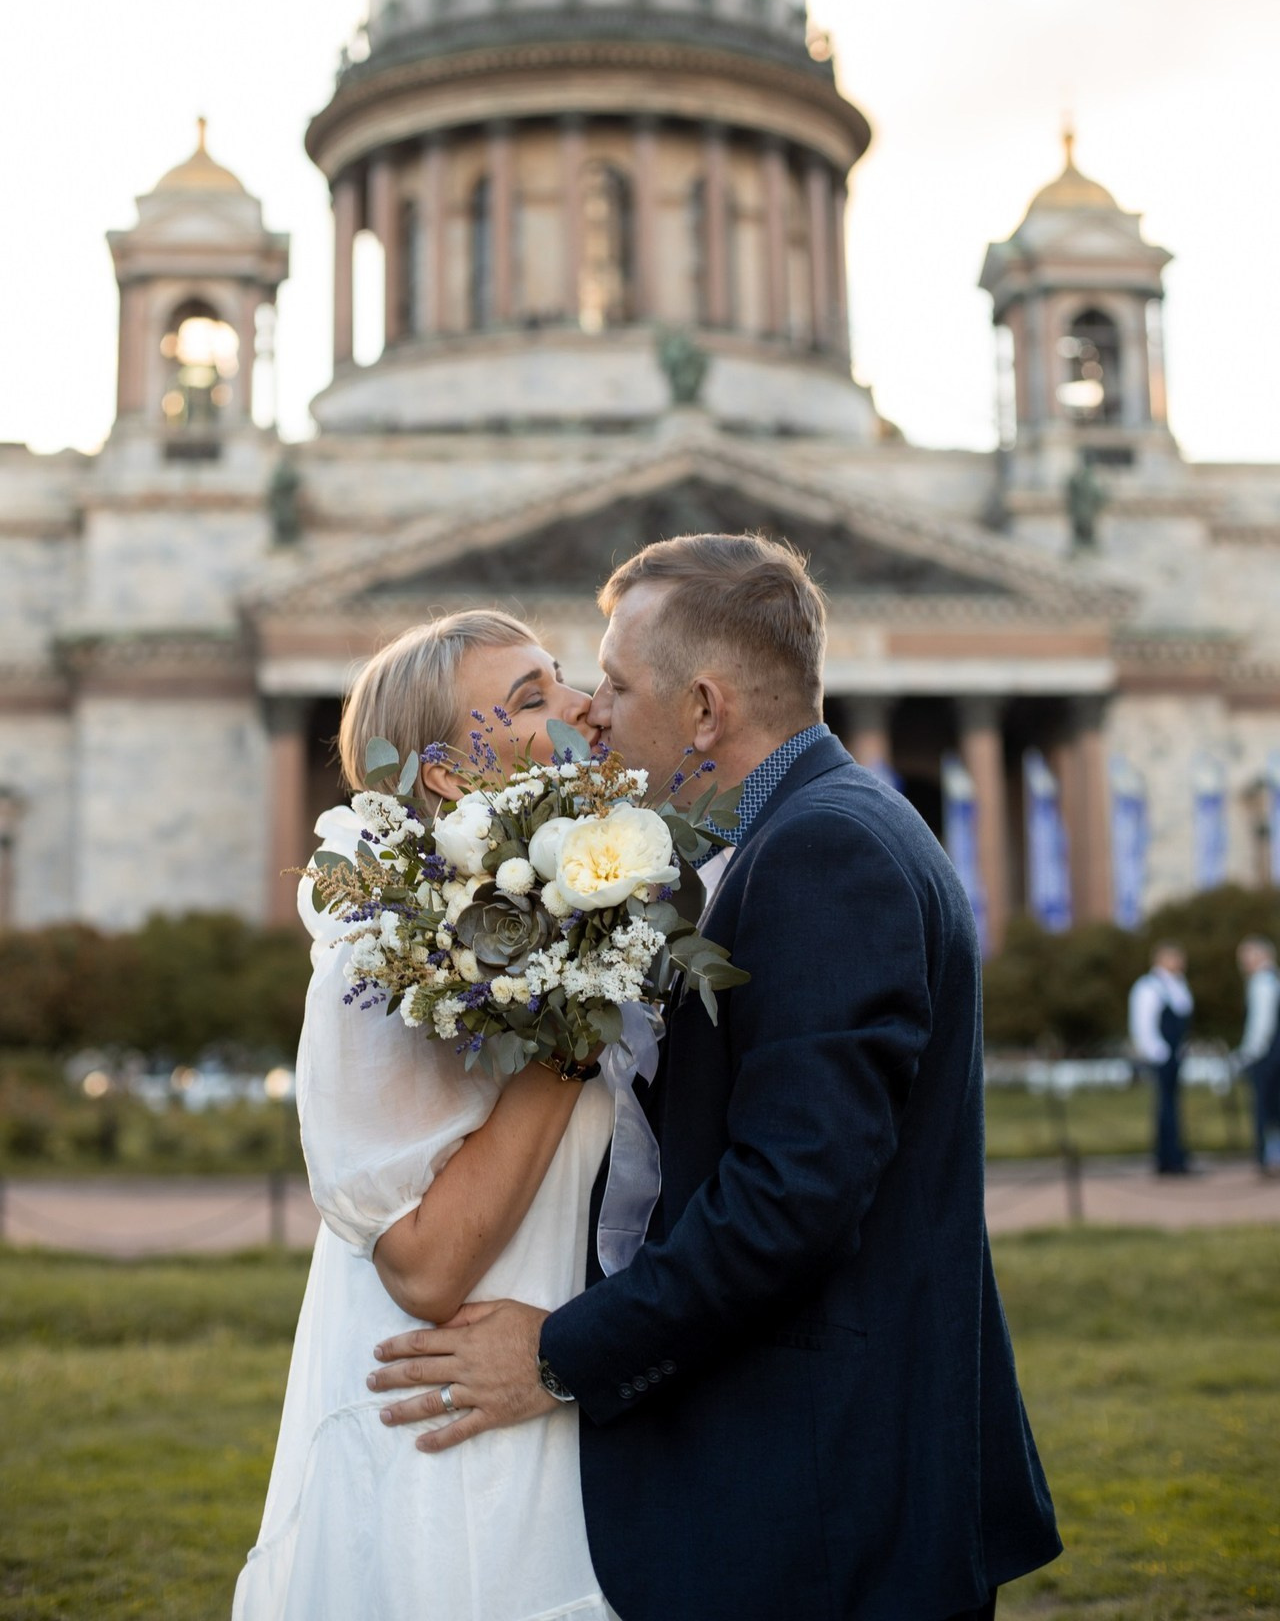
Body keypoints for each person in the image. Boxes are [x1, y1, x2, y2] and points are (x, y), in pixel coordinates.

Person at [371, 533, 1062, 1621]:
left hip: (821, 1497)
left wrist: (556, 1355)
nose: (589, 711)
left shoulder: (822, 855)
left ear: (703, 710)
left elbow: (790, 1201)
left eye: (614, 684)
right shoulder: (806, 833)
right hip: (810, 1479)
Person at [234, 610, 620, 1621]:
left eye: (561, 677)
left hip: (562, 1389)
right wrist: (573, 1027)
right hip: (449, 1432)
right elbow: (426, 1267)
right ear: (445, 774)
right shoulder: (383, 961)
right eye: (533, 698)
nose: (584, 703)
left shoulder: (593, 910)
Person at [1128, 942, 1194, 1175]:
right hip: (1162, 1055)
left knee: (1173, 1106)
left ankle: (1176, 1155)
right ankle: (1167, 1158)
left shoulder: (1177, 985)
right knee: (1164, 1107)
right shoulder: (1149, 986)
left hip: (1175, 1055)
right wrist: (1159, 1052)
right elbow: (1142, 1025)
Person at [1233, 936, 1280, 1175]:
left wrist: (1246, 1055)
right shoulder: (1273, 980)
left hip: (1267, 1056)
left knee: (1264, 1109)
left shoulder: (1261, 983)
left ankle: (1267, 1158)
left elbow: (1260, 1025)